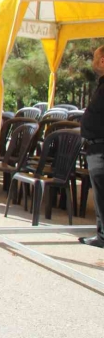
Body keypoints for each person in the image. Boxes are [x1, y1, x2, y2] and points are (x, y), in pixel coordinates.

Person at [80, 44, 104, 248]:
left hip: (101, 147)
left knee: (102, 195)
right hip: (96, 146)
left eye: (95, 59)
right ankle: (101, 234)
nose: (93, 63)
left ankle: (103, 237)